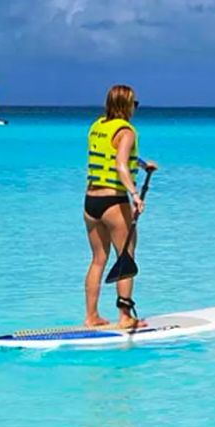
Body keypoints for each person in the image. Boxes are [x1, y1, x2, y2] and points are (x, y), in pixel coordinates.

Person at [83, 85, 157, 328]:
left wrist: (143, 163)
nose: (135, 109)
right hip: (113, 201)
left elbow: (113, 153)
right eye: (134, 104)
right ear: (126, 105)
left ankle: (91, 316)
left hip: (91, 201)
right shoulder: (127, 131)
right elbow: (120, 165)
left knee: (98, 259)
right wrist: (135, 195)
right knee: (125, 255)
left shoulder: (98, 126)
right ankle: (125, 316)